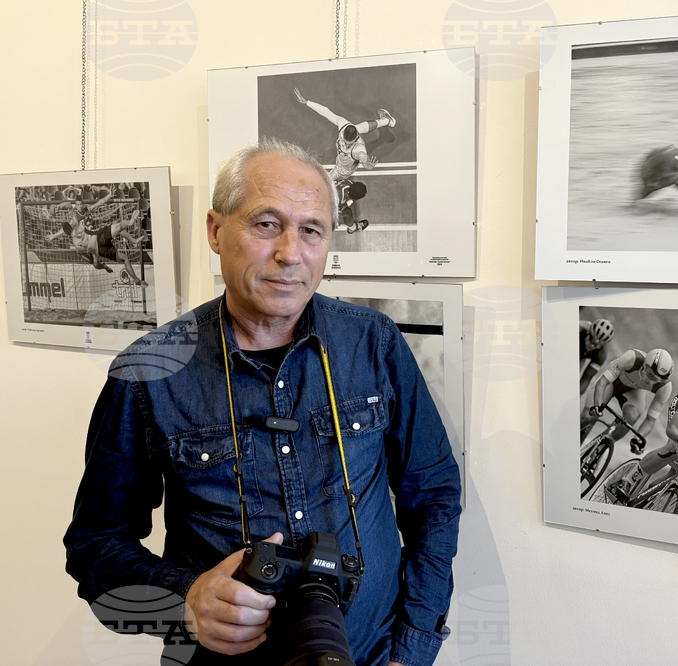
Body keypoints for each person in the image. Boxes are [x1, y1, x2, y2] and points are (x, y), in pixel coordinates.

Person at [64, 138, 462, 666]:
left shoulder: (374, 343)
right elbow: (95, 547)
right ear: (215, 230)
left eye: (312, 230)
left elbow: (433, 494)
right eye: (267, 224)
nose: (291, 253)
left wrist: (411, 649)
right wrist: (184, 600)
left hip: (369, 654)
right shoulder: (147, 372)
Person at [582, 348, 674, 455]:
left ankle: (598, 450)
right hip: (612, 383)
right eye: (650, 375)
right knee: (587, 417)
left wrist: (638, 438)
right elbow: (603, 382)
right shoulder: (632, 358)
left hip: (633, 391)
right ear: (645, 365)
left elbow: (650, 420)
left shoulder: (665, 387)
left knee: (632, 415)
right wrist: (597, 406)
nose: (650, 381)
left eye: (656, 380)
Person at [294, 87, 396, 181]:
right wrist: (307, 102)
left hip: (342, 171)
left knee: (326, 182)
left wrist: (366, 163)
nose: (346, 144)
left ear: (356, 137)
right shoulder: (343, 125)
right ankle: (387, 120)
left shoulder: (358, 147)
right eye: (345, 141)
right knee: (363, 127)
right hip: (346, 148)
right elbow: (327, 113)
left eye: (349, 143)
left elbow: (362, 155)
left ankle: (386, 121)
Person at [45, 205, 149, 286]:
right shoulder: (77, 225)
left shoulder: (76, 245)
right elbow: (68, 205)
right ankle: (130, 225)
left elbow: (86, 257)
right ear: (71, 225)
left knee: (121, 258)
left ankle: (136, 279)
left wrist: (95, 261)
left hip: (99, 250)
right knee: (118, 227)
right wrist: (58, 207)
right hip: (99, 237)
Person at [579, 318, 614, 395]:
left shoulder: (601, 354)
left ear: (602, 345)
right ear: (588, 333)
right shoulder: (580, 329)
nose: (591, 345)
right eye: (591, 339)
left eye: (595, 345)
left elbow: (586, 379)